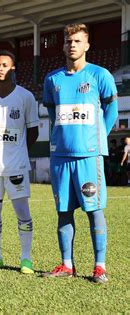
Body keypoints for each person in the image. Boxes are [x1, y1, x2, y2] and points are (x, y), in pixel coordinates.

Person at [42, 23, 118, 283]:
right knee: (64, 211)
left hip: (89, 156)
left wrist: (98, 139)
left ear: (87, 45)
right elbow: (53, 115)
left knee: (94, 210)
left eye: (77, 41)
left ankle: (100, 266)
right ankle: (66, 265)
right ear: (63, 45)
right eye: (68, 41)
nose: (72, 45)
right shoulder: (52, 79)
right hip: (60, 157)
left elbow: (112, 111)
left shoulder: (100, 75)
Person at [0, 50, 39, 274]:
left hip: (17, 167)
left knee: (22, 211)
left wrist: (19, 152)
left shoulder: (25, 97)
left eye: (4, 65)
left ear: (13, 69)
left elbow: (32, 132)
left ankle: (26, 259)